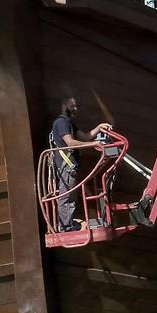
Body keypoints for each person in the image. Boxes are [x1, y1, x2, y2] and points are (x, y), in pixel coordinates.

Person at [49, 97, 112, 232]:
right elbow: (70, 142)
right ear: (64, 106)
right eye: (72, 106)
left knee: (71, 197)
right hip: (66, 166)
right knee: (66, 196)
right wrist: (94, 144)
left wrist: (99, 127)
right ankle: (65, 226)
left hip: (71, 166)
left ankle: (68, 224)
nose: (75, 109)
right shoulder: (61, 123)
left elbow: (85, 136)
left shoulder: (70, 123)